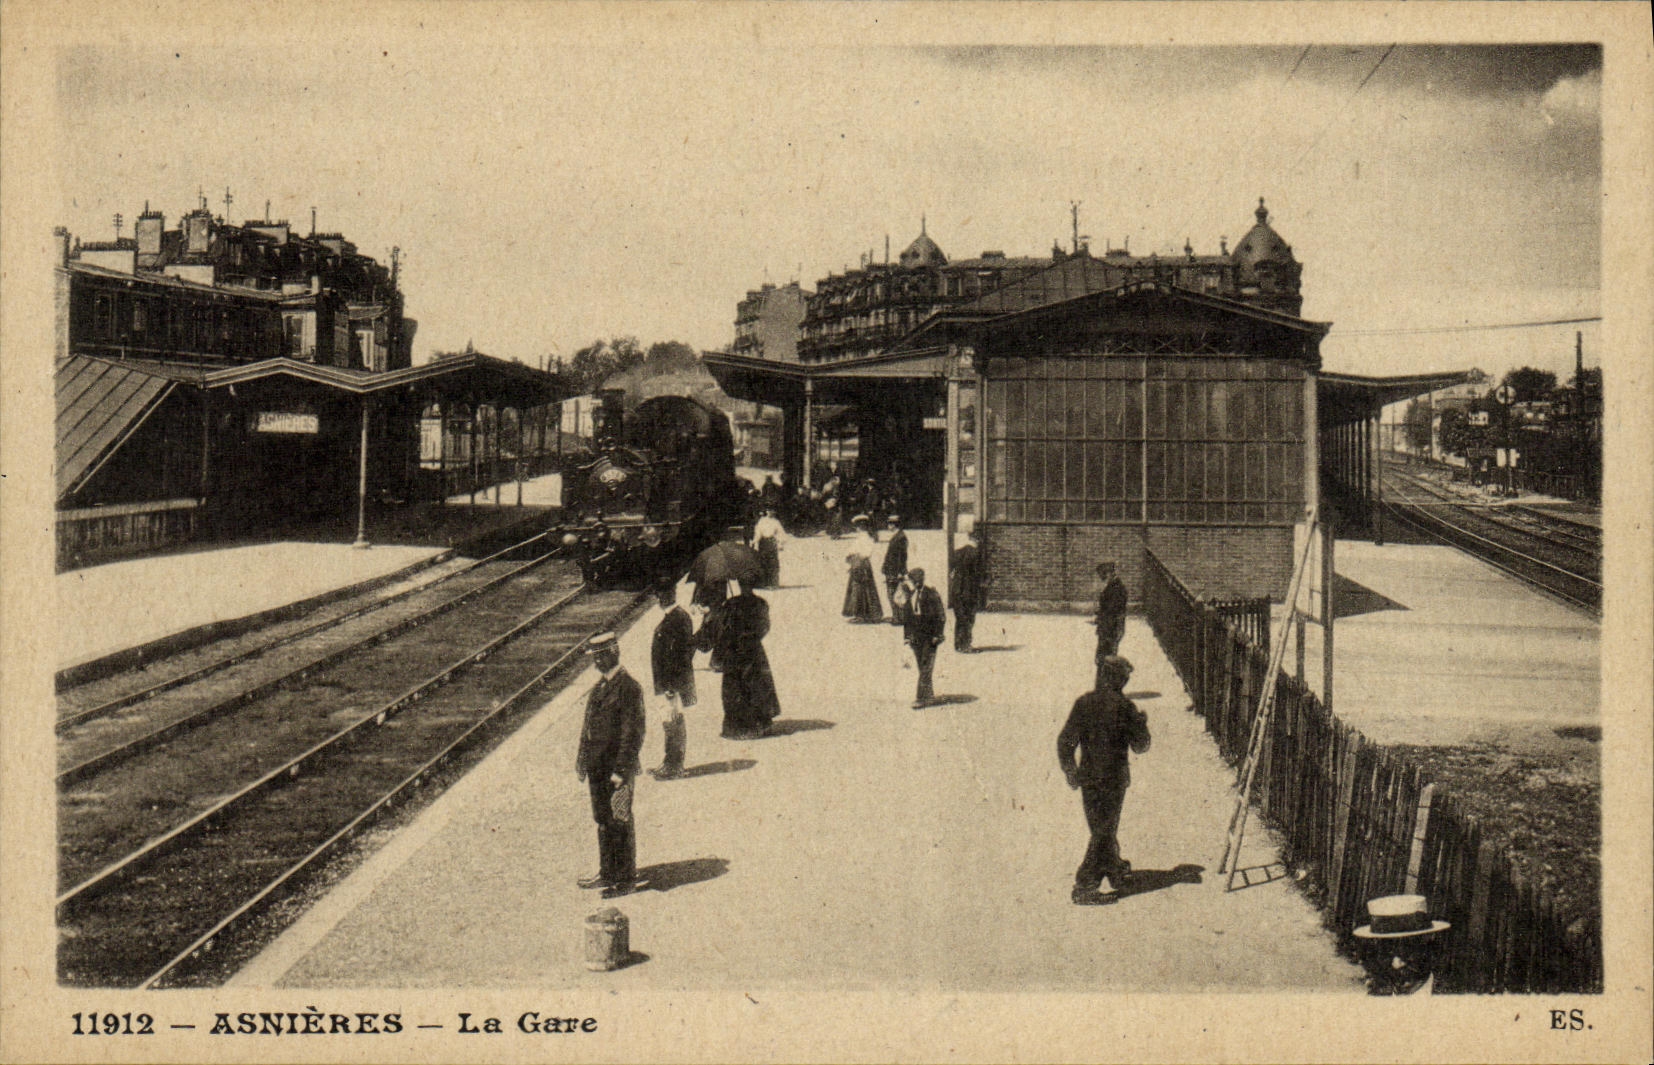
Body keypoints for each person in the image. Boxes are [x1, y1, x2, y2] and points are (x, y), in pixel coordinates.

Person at [1058, 655, 1150, 905]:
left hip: (1088, 777)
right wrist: (1142, 725)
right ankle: (1084, 885)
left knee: (1102, 826)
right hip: (1114, 780)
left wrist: (1070, 770)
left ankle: (1114, 866)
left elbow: (1065, 741)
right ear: (1121, 680)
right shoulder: (1126, 707)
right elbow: (1141, 746)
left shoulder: (1084, 702)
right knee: (1103, 830)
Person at [574, 631, 646, 898]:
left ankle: (625, 879)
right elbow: (588, 727)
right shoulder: (600, 687)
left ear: (611, 654)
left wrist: (621, 770)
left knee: (620, 820)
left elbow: (633, 733)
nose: (595, 662)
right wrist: (582, 760)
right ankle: (607, 872)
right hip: (597, 767)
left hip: (616, 770)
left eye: (599, 657)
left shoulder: (629, 687)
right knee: (603, 820)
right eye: (594, 657)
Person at [714, 580, 781, 738]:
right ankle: (760, 724)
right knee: (756, 686)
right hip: (753, 650)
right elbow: (765, 627)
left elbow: (723, 628)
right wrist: (753, 637)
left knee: (735, 688)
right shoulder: (760, 603)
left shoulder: (731, 603)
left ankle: (739, 728)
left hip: (735, 651)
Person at [648, 584, 696, 780]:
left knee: (673, 723)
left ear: (661, 597)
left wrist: (670, 686)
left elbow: (677, 656)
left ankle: (674, 766)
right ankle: (669, 762)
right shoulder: (679, 616)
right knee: (670, 723)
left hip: (670, 683)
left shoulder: (674, 620)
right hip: (670, 682)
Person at [902, 567, 946, 708]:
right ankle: (929, 695)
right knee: (923, 666)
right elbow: (907, 617)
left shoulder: (931, 594)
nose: (915, 582)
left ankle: (921, 698)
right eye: (914, 580)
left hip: (929, 635)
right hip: (916, 636)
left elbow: (941, 616)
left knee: (927, 665)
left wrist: (938, 634)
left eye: (915, 580)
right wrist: (907, 636)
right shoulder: (910, 595)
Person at [841, 516, 884, 623]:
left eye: (857, 526)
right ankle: (866, 614)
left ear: (861, 526)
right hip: (860, 564)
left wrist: (853, 556)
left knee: (859, 589)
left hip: (860, 565)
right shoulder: (864, 536)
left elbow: (865, 553)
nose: (856, 528)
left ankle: (861, 615)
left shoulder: (865, 537)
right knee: (866, 589)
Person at [949, 527, 983, 652]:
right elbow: (978, 574)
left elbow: (951, 573)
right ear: (978, 540)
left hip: (957, 590)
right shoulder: (976, 554)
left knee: (960, 618)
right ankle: (966, 645)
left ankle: (958, 644)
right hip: (969, 590)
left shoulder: (958, 552)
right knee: (969, 618)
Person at [1093, 561, 1128, 668]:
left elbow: (1113, 610)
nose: (1101, 578)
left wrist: (1100, 613)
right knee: (1104, 657)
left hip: (1111, 628)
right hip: (1108, 627)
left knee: (1106, 659)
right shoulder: (1112, 586)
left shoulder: (1117, 588)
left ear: (1109, 573)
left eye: (1103, 575)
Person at [881, 515, 909, 626]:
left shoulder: (900, 537)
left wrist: (900, 572)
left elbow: (901, 557)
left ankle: (898, 618)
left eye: (889, 523)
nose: (888, 526)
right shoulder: (898, 536)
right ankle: (897, 616)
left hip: (894, 570)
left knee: (894, 593)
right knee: (893, 593)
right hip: (892, 569)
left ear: (893, 524)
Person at [751, 507, 784, 589]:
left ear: (774, 512)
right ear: (766, 511)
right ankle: (763, 583)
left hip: (772, 542)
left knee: (773, 563)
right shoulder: (762, 521)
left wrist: (780, 543)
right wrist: (755, 541)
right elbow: (758, 532)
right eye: (768, 510)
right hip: (763, 542)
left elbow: (781, 533)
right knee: (763, 561)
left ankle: (773, 583)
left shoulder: (776, 522)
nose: (770, 512)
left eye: (771, 510)